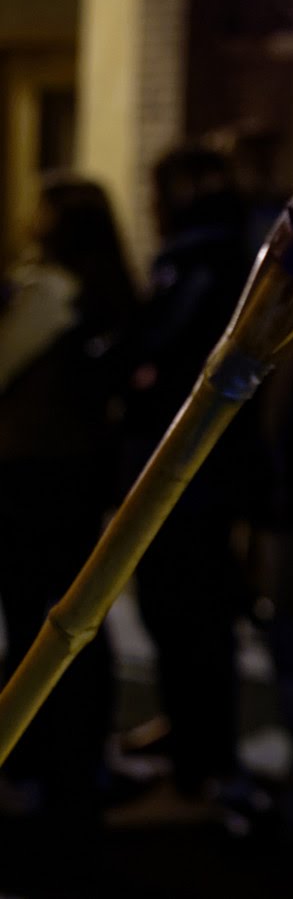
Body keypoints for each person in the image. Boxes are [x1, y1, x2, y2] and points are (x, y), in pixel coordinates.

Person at [118, 144, 260, 815]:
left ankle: (209, 754)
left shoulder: (208, 258)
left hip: (193, 468)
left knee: (194, 612)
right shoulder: (200, 254)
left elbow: (161, 352)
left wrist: (140, 369)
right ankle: (191, 739)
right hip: (184, 464)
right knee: (174, 610)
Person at [0, 176, 134, 877]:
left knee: (38, 620)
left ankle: (47, 766)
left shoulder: (47, 291)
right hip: (70, 478)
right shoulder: (99, 287)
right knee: (73, 618)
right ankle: (71, 765)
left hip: (31, 477)